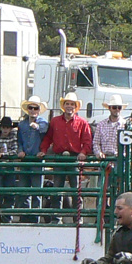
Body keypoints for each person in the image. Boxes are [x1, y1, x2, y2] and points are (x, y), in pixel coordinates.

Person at [38, 92, 93, 220]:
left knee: (76, 189)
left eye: (72, 104)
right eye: (67, 104)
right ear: (63, 106)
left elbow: (87, 140)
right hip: (59, 157)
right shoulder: (55, 121)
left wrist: (83, 152)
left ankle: (77, 218)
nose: (69, 106)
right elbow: (48, 138)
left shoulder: (82, 123)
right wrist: (43, 150)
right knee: (57, 188)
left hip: (74, 158)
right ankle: (56, 218)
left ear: (75, 107)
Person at [17, 95, 49, 221]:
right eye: (30, 108)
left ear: (39, 110)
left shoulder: (43, 123)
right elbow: (19, 140)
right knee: (23, 190)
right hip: (25, 160)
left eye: (35, 108)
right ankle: (24, 216)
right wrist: (20, 151)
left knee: (37, 191)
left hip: (37, 160)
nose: (33, 110)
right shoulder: (22, 124)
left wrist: (37, 127)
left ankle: (35, 216)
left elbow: (45, 131)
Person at [0, 115, 20, 210]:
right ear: (1, 128)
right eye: (4, 127)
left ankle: (7, 215)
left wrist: (1, 155)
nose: (5, 130)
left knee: (9, 191)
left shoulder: (13, 136)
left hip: (8, 166)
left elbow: (15, 150)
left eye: (7, 128)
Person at [92, 94, 128, 159]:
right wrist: (98, 152)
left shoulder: (126, 125)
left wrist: (123, 154)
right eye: (114, 107)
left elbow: (129, 145)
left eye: (119, 107)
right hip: (104, 159)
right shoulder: (101, 125)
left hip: (120, 159)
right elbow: (96, 143)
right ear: (109, 108)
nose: (117, 109)